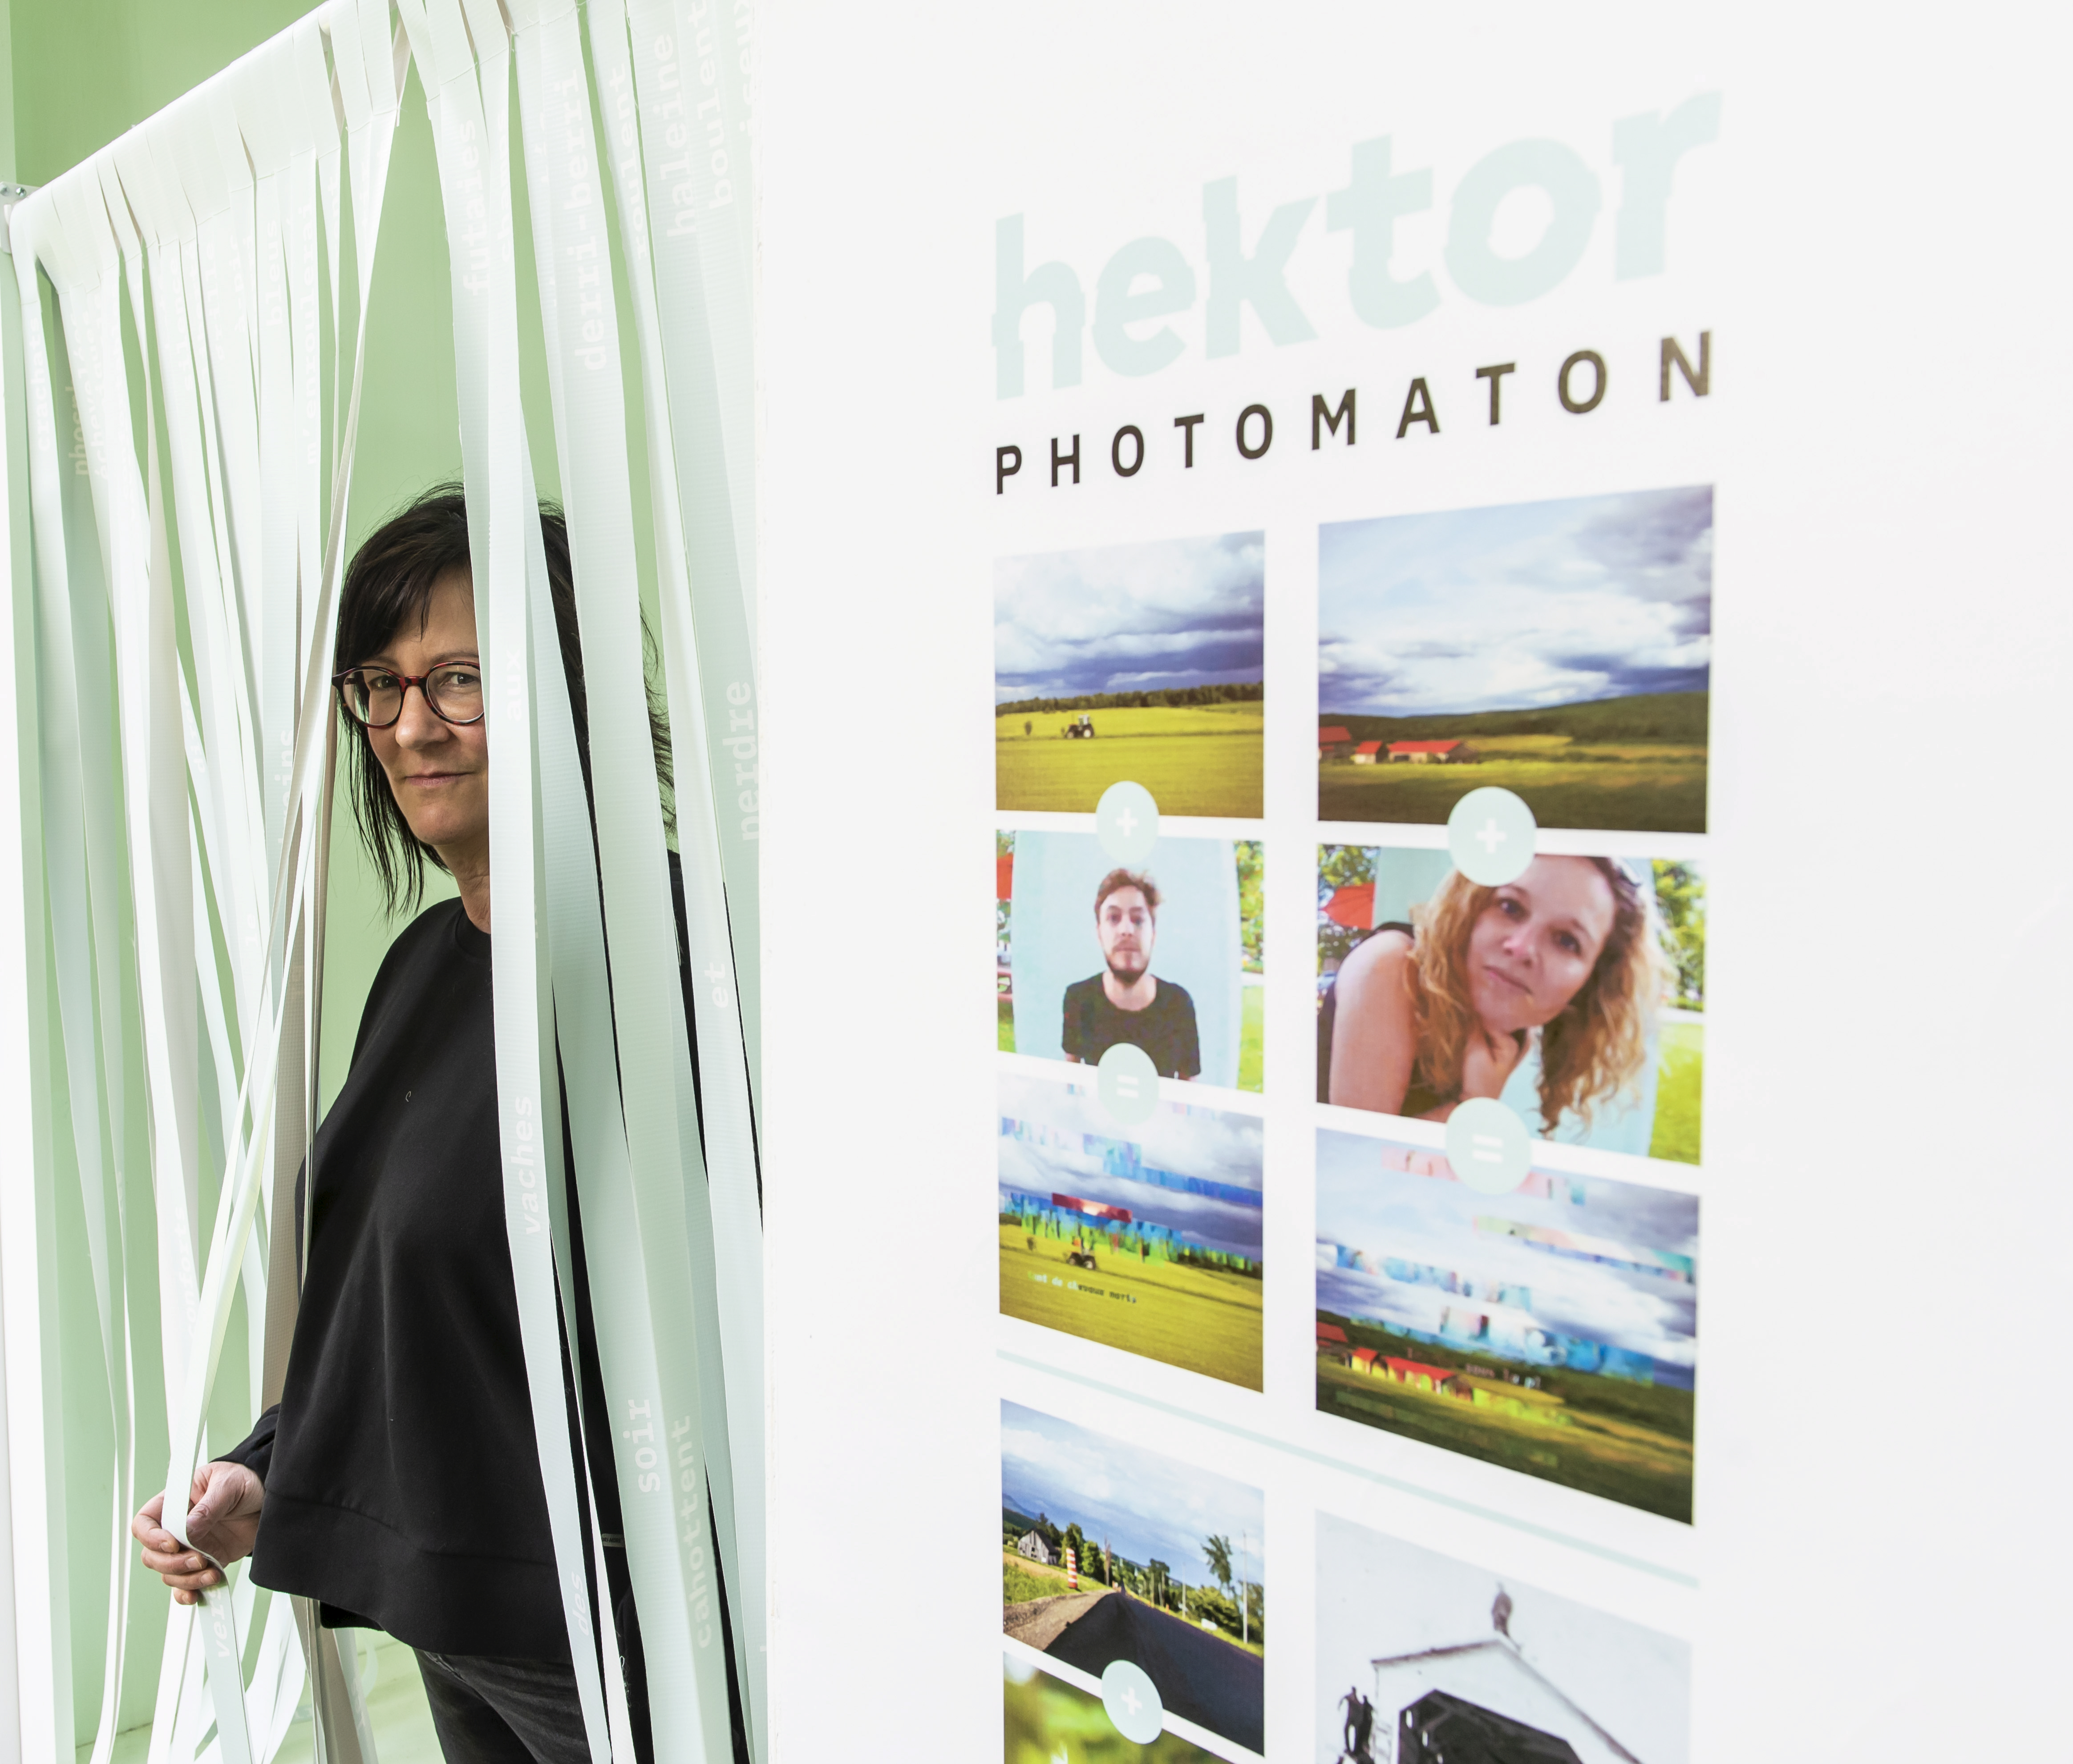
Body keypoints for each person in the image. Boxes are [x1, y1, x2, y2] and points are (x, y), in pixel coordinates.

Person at [127, 488, 745, 1764]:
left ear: (562, 693)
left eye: (461, 680)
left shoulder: (678, 969)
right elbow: (386, 1299)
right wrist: (266, 1472)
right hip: (451, 1618)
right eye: (382, 685)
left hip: (610, 1639)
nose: (410, 726)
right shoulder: (419, 965)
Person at [1320, 856, 1664, 1131]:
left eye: (1566, 941)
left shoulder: (1512, 1033)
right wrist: (1474, 1102)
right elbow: (1360, 1160)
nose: (1521, 947)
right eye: (1511, 907)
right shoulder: (1391, 965)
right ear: (1473, 906)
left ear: (1591, 985)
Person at [1061, 868, 1200, 1079]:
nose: (1126, 930)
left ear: (1153, 935)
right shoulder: (1079, 999)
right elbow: (1069, 1082)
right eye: (1113, 918)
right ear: (1099, 933)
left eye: (1138, 920)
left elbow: (1189, 1090)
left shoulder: (1178, 1005)